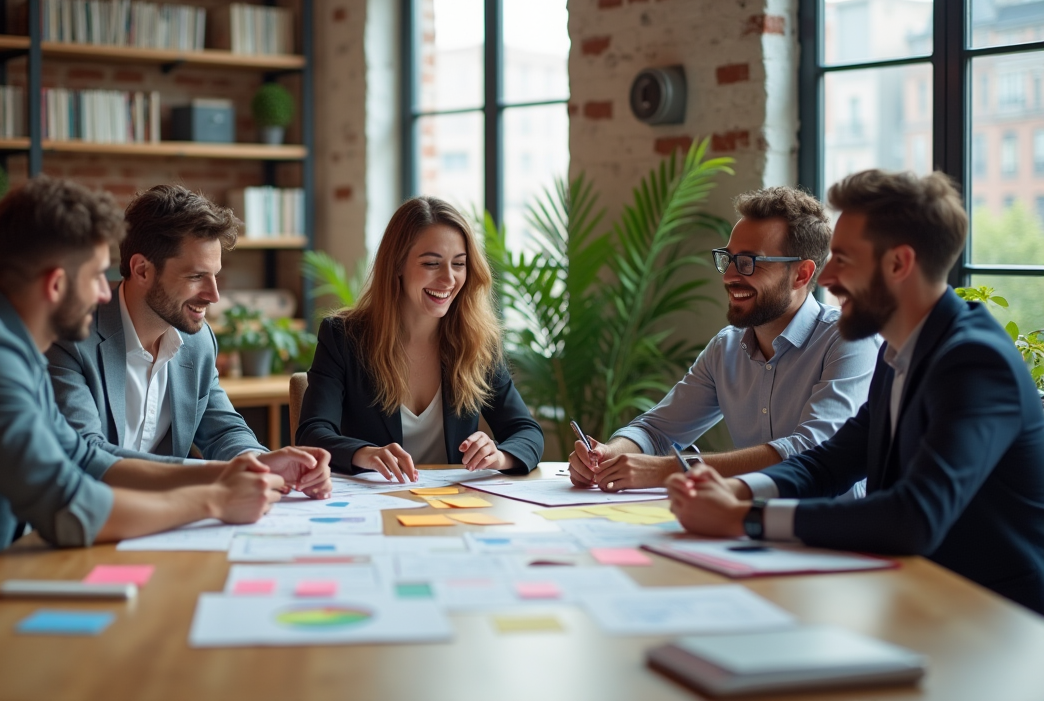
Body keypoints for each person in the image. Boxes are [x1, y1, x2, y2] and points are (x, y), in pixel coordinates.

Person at [0, 178, 286, 644]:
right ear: (56, 284)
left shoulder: (8, 347)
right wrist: (215, 501)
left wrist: (228, 474)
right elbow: (69, 506)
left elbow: (86, 460)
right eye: (96, 275)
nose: (102, 293)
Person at [667, 170, 1044, 614]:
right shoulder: (900, 350)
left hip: (995, 622)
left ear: (898, 264)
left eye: (843, 259)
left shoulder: (974, 362)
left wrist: (745, 519)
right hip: (919, 600)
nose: (825, 278)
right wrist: (742, 493)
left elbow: (914, 516)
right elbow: (833, 461)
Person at [570, 187, 879, 494]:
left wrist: (668, 470)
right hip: (745, 523)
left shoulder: (849, 339)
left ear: (801, 274)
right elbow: (656, 431)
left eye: (748, 262)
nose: (729, 276)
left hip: (831, 532)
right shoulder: (726, 348)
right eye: (727, 259)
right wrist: (613, 452)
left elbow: (810, 450)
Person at [47, 185, 330, 498]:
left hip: (167, 520)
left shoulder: (198, 341)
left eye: (215, 276)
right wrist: (222, 474)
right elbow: (87, 455)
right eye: (196, 277)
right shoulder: (72, 338)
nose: (214, 295)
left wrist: (264, 464)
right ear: (142, 270)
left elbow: (223, 431)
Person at [296, 196, 544, 481]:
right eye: (431, 263)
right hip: (374, 506)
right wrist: (365, 453)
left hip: (453, 508)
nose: (449, 279)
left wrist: (498, 455)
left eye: (459, 264)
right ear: (397, 265)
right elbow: (312, 434)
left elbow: (526, 432)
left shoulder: (477, 341)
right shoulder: (343, 338)